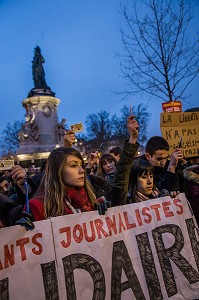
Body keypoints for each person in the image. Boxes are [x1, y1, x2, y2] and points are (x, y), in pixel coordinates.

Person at [25, 147, 107, 221]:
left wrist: (104, 214)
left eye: (81, 165)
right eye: (74, 165)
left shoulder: (90, 197)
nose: (82, 170)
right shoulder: (37, 206)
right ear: (58, 171)